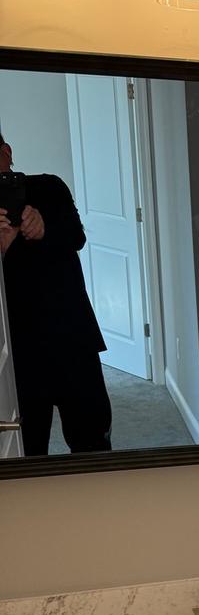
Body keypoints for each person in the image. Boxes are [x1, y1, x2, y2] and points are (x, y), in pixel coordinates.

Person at [0, 130, 112, 455]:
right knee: (27, 447)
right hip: (17, 354)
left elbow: (76, 237)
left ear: (7, 152)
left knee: (92, 438)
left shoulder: (50, 187)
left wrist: (45, 229)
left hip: (72, 337)